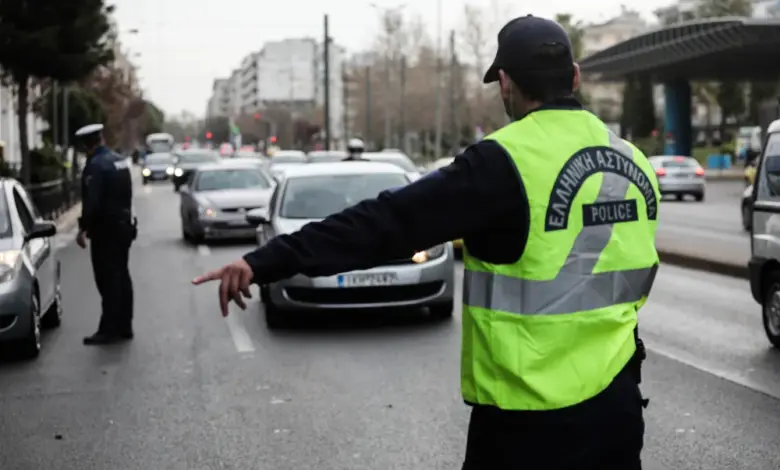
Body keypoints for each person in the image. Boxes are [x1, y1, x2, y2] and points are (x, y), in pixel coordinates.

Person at [193, 15, 660, 470]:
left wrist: (267, 260)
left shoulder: (503, 161)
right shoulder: (634, 162)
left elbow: (385, 223)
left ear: (505, 84)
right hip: (617, 411)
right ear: (574, 77)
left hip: (529, 423)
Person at [75, 124, 137, 345]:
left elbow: (92, 202)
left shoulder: (96, 166)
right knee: (122, 275)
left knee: (107, 280)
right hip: (124, 227)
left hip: (105, 231)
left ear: (87, 144)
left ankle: (109, 329)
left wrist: (83, 229)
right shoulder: (119, 160)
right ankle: (125, 325)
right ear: (101, 138)